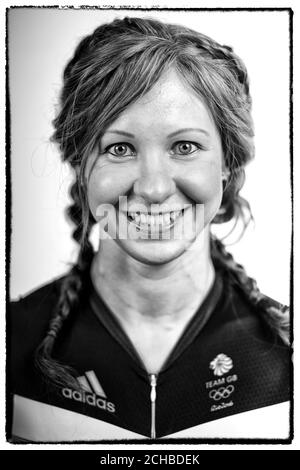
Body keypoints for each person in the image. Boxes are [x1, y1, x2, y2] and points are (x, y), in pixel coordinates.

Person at [9, 16, 290, 442]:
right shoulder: (10, 343)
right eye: (119, 148)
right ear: (80, 167)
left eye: (185, 147)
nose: (154, 188)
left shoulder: (289, 357)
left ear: (227, 164)